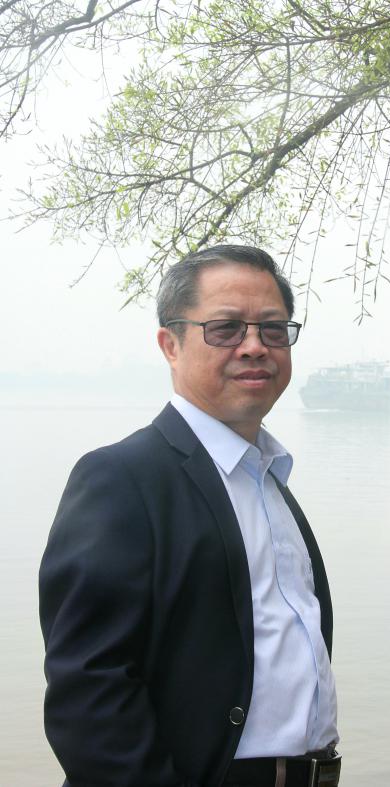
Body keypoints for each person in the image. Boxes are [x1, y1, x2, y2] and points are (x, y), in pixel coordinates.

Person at [39, 244, 340, 787]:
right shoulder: (121, 479)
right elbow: (89, 689)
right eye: (226, 328)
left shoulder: (269, 479)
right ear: (170, 345)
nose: (255, 346)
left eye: (273, 329)